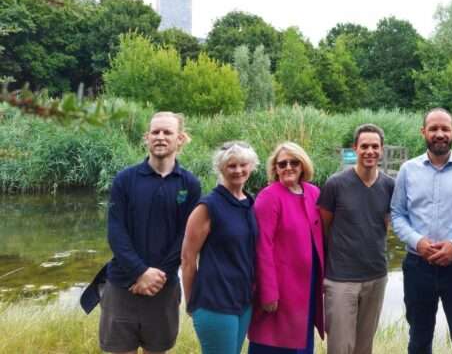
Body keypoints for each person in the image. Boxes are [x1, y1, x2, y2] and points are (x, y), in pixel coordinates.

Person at [80, 111, 201, 354]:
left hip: (163, 288)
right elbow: (116, 231)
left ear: (180, 139)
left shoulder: (190, 184)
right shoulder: (125, 180)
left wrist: (156, 277)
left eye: (167, 132)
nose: (160, 137)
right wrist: (139, 272)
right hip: (122, 284)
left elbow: (185, 239)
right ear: (146, 138)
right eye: (155, 132)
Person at [391, 108, 452, 354]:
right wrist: (418, 242)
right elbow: (398, 214)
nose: (439, 134)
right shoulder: (408, 170)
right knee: (419, 339)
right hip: (417, 267)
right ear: (423, 132)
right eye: (433, 128)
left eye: (445, 128)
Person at [318, 124, 395, 354]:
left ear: (382, 150)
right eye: (364, 146)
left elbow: (386, 226)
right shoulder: (335, 184)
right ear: (355, 148)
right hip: (341, 279)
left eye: (374, 146)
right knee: (341, 347)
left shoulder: (390, 185)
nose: (369, 151)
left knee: (364, 347)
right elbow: (324, 227)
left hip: (376, 275)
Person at [181, 141, 260, 354]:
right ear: (221, 168)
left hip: (243, 301)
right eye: (231, 166)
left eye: (243, 165)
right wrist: (191, 304)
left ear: (252, 166)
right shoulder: (208, 207)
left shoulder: (250, 203)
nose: (238, 170)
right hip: (214, 302)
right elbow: (188, 260)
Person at [248, 142, 325, 354]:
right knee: (274, 344)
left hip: (307, 288)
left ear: (303, 165)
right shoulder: (269, 196)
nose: (288, 167)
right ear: (275, 168)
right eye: (282, 164)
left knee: (302, 343)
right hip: (281, 288)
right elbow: (262, 246)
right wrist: (268, 292)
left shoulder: (313, 193)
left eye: (294, 162)